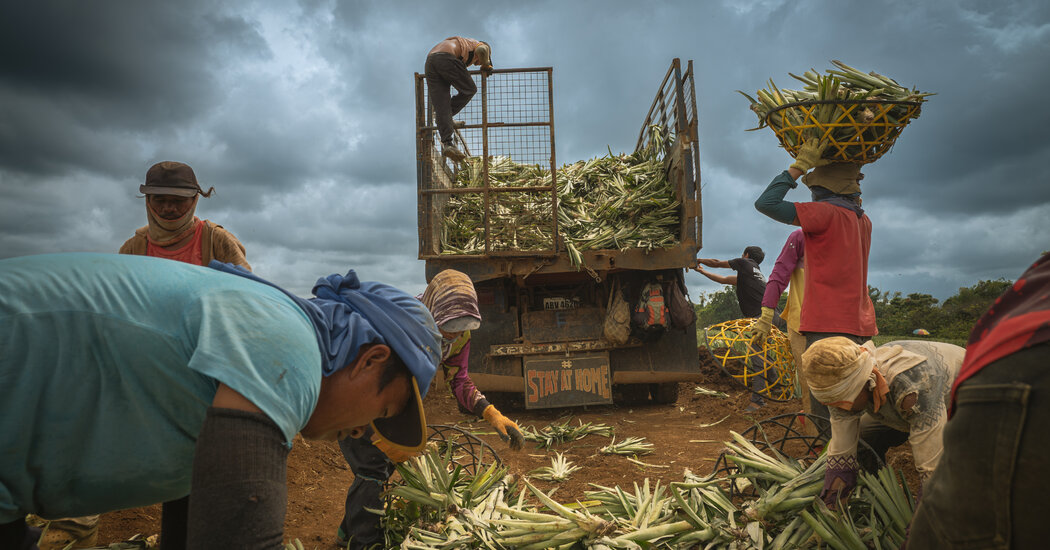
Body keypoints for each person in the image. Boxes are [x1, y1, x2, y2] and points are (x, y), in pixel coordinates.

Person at [0, 253, 441, 550]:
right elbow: (238, 534)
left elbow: (202, 514)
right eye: (382, 410)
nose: (365, 431)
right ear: (370, 360)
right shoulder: (288, 345)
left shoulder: (243, 368)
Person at [335, 269, 524, 549]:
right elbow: (371, 380)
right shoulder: (401, 325)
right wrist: (378, 433)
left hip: (394, 404)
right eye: (449, 325)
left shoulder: (459, 338)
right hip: (355, 397)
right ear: (433, 308)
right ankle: (363, 543)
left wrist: (490, 413)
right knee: (372, 468)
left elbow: (459, 379)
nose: (453, 333)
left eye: (462, 327)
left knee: (381, 470)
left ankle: (346, 532)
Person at [908, 252, 1050, 549]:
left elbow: (928, 438)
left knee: (948, 530)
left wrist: (928, 487)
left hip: (1013, 357)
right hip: (1017, 358)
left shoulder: (912, 382)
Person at [753, 140, 879, 427]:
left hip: (825, 326)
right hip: (860, 325)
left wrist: (796, 168)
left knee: (826, 405)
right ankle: (854, 455)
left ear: (823, 189)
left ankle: (828, 462)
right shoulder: (863, 220)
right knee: (855, 398)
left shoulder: (823, 215)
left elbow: (766, 203)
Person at [800, 337, 965, 510]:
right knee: (864, 436)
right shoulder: (840, 384)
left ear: (865, 382)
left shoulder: (912, 388)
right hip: (901, 405)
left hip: (966, 398)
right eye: (833, 403)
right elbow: (842, 451)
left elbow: (932, 468)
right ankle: (877, 500)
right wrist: (831, 506)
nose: (841, 409)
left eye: (844, 400)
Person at [119, 161, 250, 269]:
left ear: (194, 200)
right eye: (160, 200)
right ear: (148, 200)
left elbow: (246, 291)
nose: (168, 208)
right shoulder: (133, 248)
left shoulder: (219, 241)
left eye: (178, 200)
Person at [695, 247, 773, 411]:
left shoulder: (744, 263)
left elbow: (717, 264)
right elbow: (723, 280)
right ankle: (777, 389)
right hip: (771, 317)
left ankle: (757, 401)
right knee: (766, 356)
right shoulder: (754, 274)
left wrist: (699, 260)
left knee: (758, 357)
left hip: (760, 319)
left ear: (746, 255)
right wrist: (701, 271)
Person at [749, 230, 812, 421]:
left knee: (811, 387)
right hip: (845, 322)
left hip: (804, 322)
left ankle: (758, 398)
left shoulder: (800, 237)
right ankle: (776, 387)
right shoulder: (859, 228)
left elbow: (779, 276)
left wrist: (765, 315)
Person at [425, 36, 492, 162]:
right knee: (469, 89)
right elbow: (482, 50)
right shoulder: (477, 44)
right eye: (477, 62)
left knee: (442, 104)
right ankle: (448, 117)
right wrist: (486, 65)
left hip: (430, 62)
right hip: (445, 58)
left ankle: (448, 144)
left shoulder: (461, 46)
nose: (475, 63)